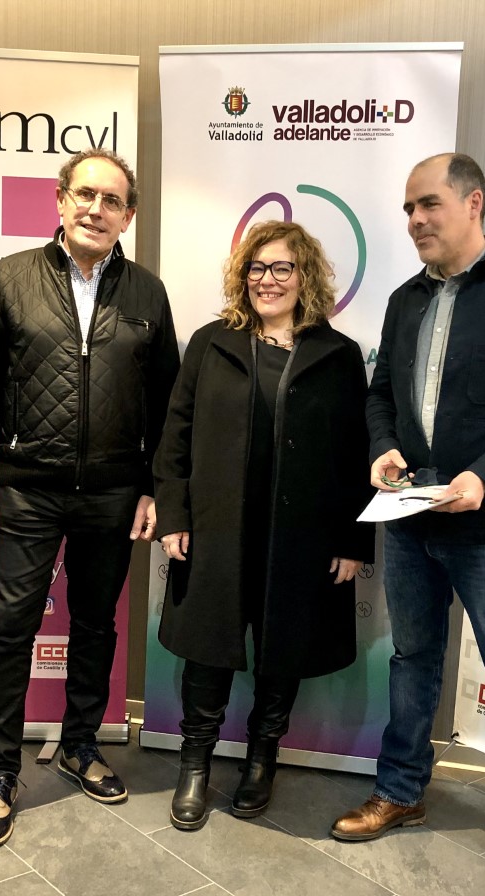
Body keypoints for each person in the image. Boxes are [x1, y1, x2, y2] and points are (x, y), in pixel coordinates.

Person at [329, 153, 485, 896]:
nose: (414, 221)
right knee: (413, 660)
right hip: (410, 523)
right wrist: (383, 446)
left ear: (474, 203)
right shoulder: (405, 300)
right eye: (408, 208)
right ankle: (401, 791)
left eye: (428, 204)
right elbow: (380, 394)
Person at [0, 148, 179, 847]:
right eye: (85, 194)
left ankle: (81, 745)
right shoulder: (12, 278)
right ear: (60, 201)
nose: (95, 209)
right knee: (10, 629)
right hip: (27, 490)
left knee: (95, 626)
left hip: (113, 493)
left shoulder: (148, 293)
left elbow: (167, 405)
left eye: (112, 201)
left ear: (128, 216)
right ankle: (0, 772)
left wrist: (156, 489)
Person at [154, 220, 374, 831]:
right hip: (217, 529)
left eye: (282, 268)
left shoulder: (338, 356)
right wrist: (173, 514)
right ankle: (194, 765)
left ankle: (261, 760)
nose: (267, 280)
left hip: (302, 537)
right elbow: (175, 436)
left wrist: (353, 539)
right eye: (257, 268)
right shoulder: (210, 344)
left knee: (284, 650)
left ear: (305, 278)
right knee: (207, 650)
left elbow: (355, 455)